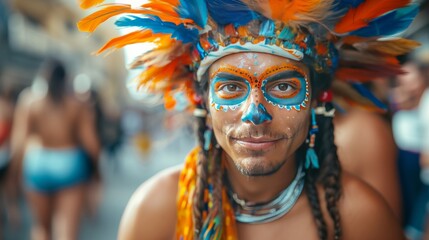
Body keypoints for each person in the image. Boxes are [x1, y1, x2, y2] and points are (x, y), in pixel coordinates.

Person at [78, 1, 420, 239]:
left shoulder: (360, 217)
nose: (255, 113)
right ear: (203, 101)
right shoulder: (154, 209)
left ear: (317, 99)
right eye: (230, 86)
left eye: (283, 86)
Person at [7, 59, 101, 240]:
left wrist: (12, 177)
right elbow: (92, 144)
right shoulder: (77, 103)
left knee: (41, 229)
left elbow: (19, 143)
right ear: (66, 78)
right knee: (67, 233)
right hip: (70, 163)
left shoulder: (29, 101)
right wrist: (96, 173)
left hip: (38, 162)